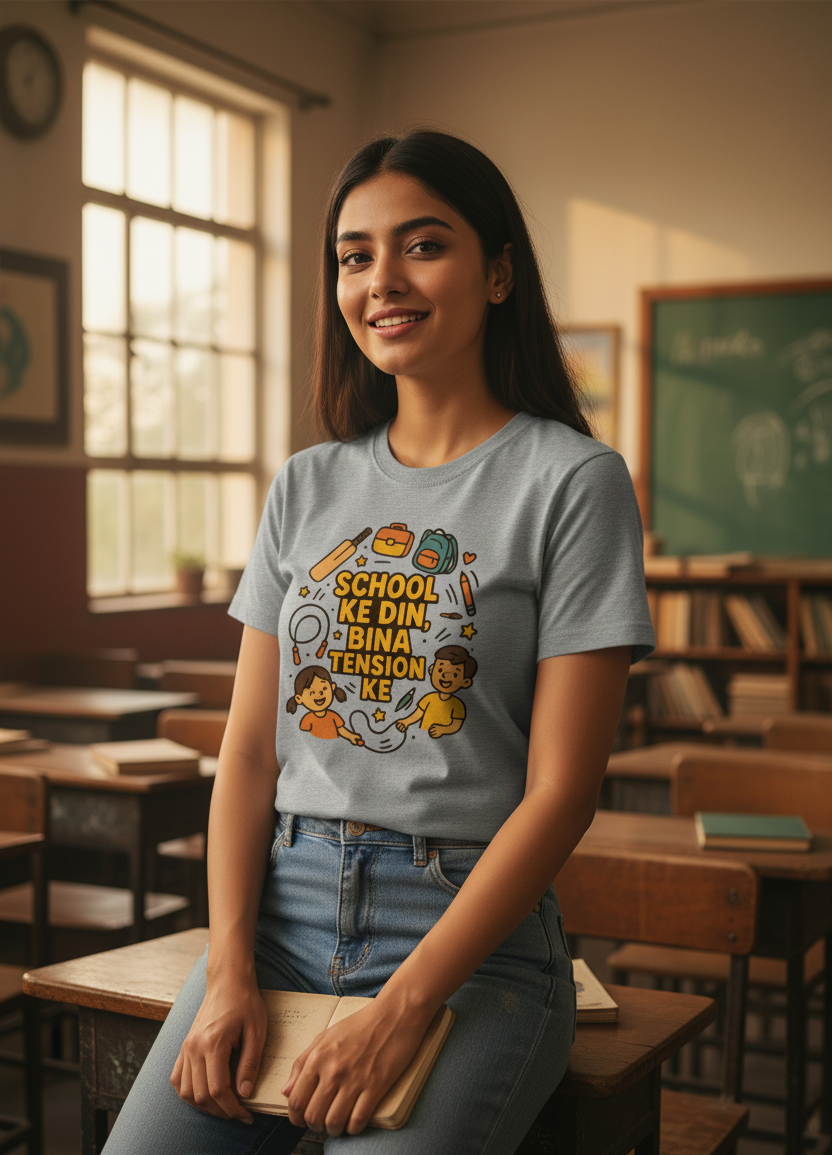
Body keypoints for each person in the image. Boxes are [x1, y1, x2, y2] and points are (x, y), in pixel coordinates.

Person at [103, 130, 655, 1155]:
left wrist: (401, 1009)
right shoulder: (306, 485)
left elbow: (562, 793)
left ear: (496, 272)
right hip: (277, 917)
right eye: (354, 256)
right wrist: (226, 971)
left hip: (469, 944)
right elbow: (253, 757)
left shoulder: (574, 483)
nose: (381, 281)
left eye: (422, 245)